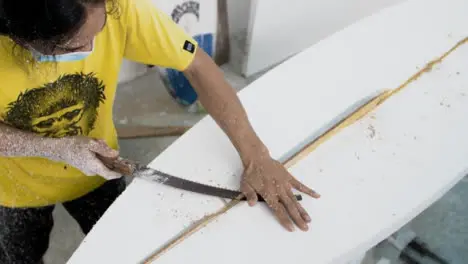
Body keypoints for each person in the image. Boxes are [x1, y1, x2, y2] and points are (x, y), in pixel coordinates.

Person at [0, 0, 320, 263]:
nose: (93, 47)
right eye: (75, 45)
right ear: (23, 38)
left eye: (98, 33)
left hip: (99, 168)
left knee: (128, 251)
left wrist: (256, 156)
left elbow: (196, 65)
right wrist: (55, 148)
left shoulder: (116, 8)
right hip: (12, 190)